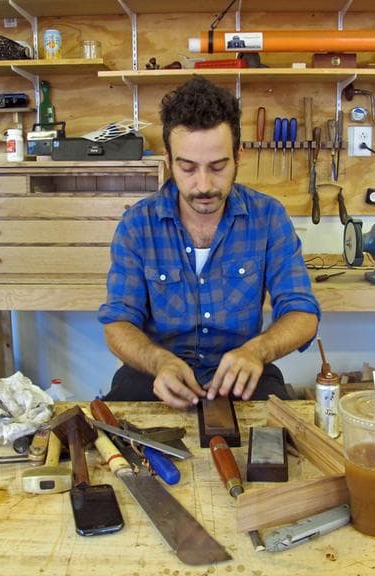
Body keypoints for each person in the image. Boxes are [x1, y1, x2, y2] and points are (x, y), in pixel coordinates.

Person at [99, 76, 320, 410]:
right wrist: (160, 362)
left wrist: (257, 351)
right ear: (169, 160)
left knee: (277, 448)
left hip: (243, 369)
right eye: (188, 168)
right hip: (156, 373)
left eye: (217, 167)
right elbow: (118, 322)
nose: (203, 185)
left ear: (238, 155)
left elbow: (302, 313)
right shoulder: (137, 225)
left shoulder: (268, 217)